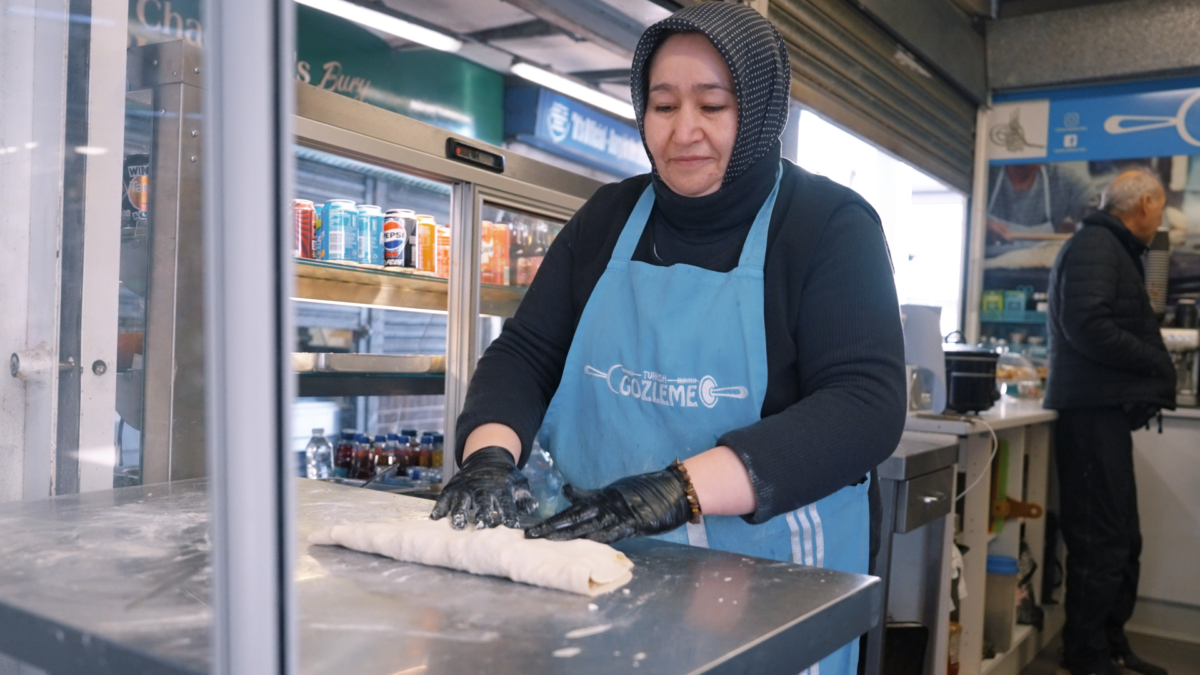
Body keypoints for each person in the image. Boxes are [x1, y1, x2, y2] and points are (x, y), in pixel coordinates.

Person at [431, 4, 906, 673]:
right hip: (602, 569)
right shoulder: (609, 217)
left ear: (762, 111)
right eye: (663, 105)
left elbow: (864, 405)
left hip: (766, 588)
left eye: (713, 106)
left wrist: (672, 490)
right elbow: (527, 353)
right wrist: (487, 457)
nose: (684, 131)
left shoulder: (827, 225)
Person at [1044, 169, 1176, 675]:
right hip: (1090, 415)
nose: (1161, 218)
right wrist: (1152, 360)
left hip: (1103, 413)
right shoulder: (1097, 247)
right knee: (1101, 541)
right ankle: (1087, 655)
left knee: (1121, 538)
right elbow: (1088, 324)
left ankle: (1110, 643)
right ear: (1144, 202)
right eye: (1159, 207)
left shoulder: (1109, 247)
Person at [986, 163, 1097, 256]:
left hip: (1040, 275)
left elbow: (1100, 210)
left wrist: (1096, 209)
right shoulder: (985, 173)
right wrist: (980, 226)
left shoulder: (1062, 179)